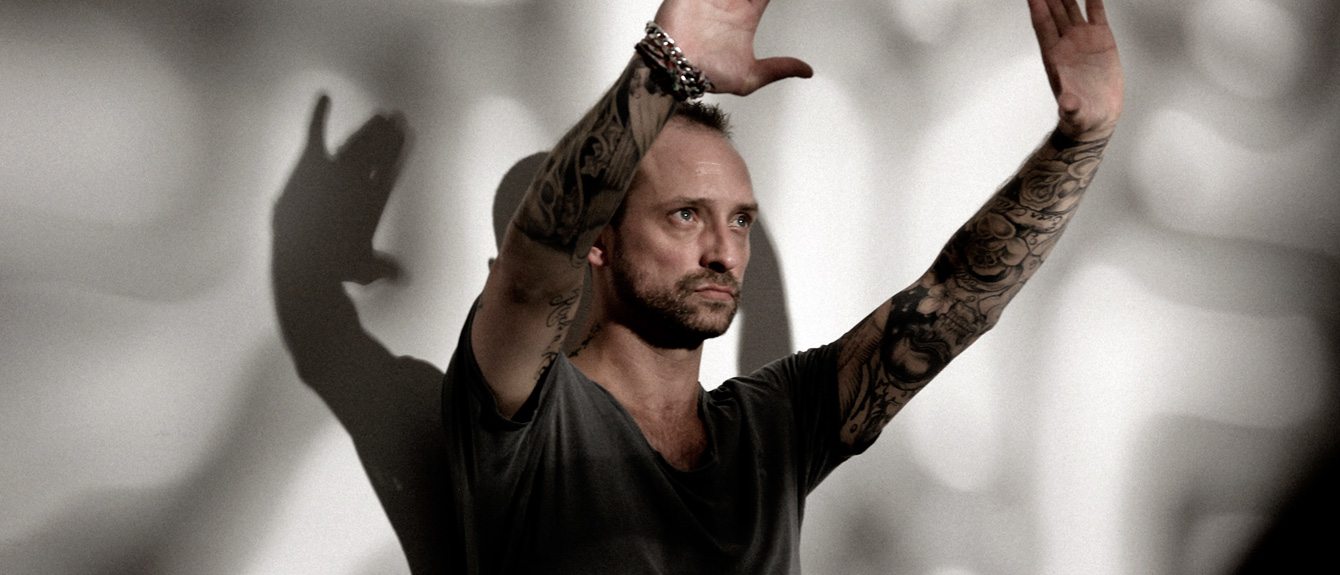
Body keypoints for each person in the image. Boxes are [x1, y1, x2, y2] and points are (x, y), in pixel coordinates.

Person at [444, 0, 1123, 572]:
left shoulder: (770, 428)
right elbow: (535, 268)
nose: (723, 251)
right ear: (599, 238)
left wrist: (1080, 139)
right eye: (686, 215)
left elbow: (952, 301)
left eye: (739, 220)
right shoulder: (528, 414)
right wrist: (664, 66)